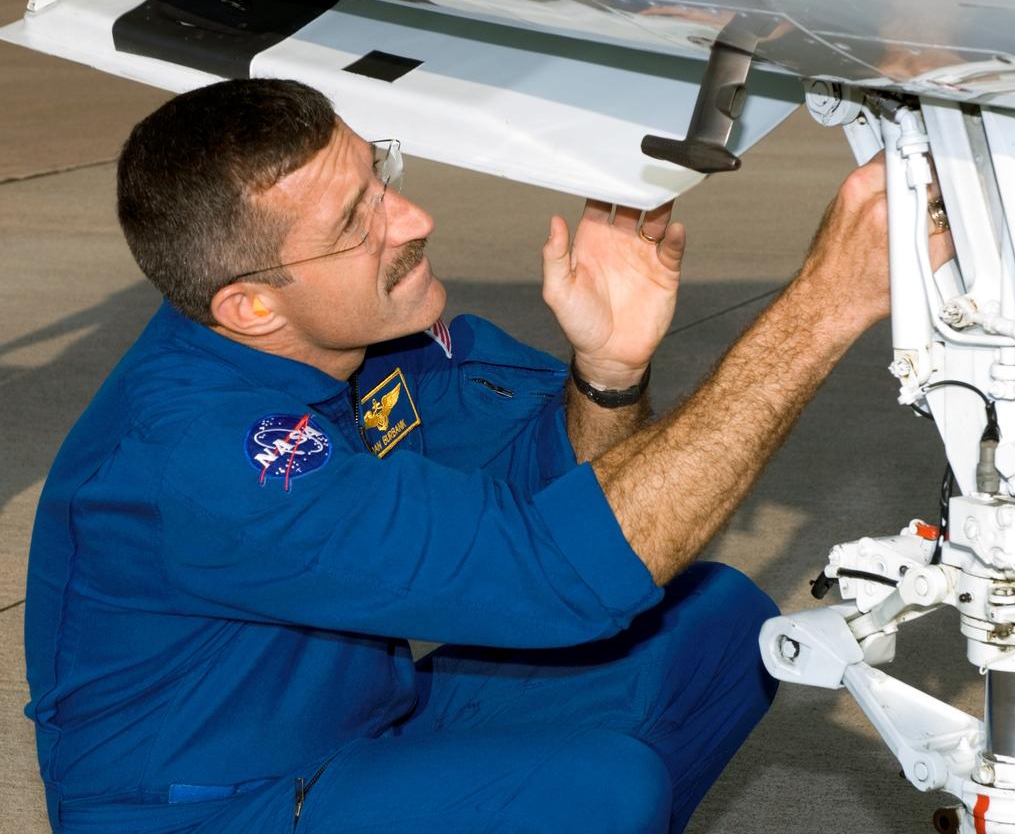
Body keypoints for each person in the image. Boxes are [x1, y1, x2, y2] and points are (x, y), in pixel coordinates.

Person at [25, 78, 947, 834]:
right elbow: (559, 575)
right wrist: (824, 307)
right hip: (216, 809)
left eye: (380, 174)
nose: (412, 218)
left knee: (716, 628)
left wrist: (609, 375)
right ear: (252, 306)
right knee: (594, 792)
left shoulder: (366, 340)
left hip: (357, 732)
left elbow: (552, 496)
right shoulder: (213, 457)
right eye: (355, 223)